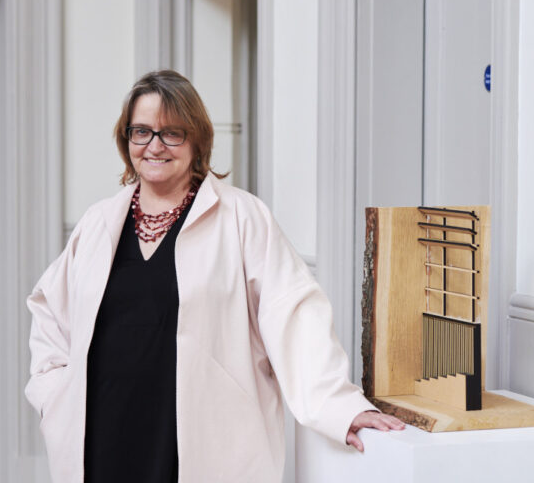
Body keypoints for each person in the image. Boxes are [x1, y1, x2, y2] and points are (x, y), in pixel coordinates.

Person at [24, 70, 404, 483]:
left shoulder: (242, 218)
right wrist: (51, 394)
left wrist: (337, 407)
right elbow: (49, 310)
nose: (154, 146)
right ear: (126, 138)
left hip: (199, 442)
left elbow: (293, 314)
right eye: (141, 132)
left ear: (197, 139)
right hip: (102, 435)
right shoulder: (98, 223)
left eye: (171, 133)